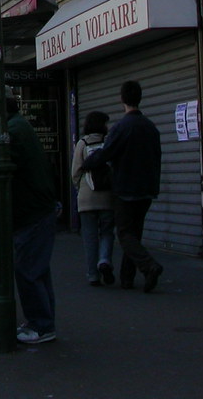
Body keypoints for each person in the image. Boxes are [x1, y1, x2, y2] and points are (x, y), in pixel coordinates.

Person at [82, 79, 164, 293]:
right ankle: (128, 278)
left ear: (122, 99)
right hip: (147, 187)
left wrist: (87, 162)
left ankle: (148, 266)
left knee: (125, 234)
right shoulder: (150, 127)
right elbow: (157, 157)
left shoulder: (122, 127)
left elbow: (106, 153)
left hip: (126, 187)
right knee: (134, 233)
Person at [4, 89, 59, 345]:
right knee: (37, 270)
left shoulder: (13, 131)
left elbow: (2, 159)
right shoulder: (19, 126)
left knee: (28, 269)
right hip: (39, 207)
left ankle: (41, 325)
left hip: (31, 211)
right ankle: (43, 321)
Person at [71, 111, 115, 286]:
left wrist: (80, 188)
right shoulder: (108, 143)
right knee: (107, 232)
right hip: (107, 196)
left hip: (86, 197)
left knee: (89, 237)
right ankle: (104, 259)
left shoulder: (82, 143)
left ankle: (93, 275)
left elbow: (75, 172)